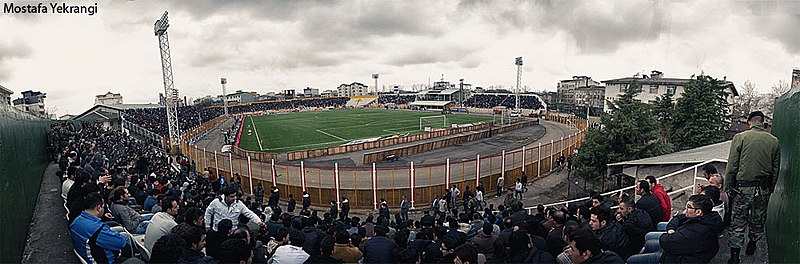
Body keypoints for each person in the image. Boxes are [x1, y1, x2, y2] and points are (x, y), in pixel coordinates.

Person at [724, 111, 780, 263]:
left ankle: (735, 258)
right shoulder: (774, 141)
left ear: (750, 122)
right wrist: (771, 188)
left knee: (738, 222)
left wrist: (727, 187)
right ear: (762, 122)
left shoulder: (740, 137)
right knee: (758, 220)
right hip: (763, 190)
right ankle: (752, 244)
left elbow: (732, 166)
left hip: (742, 189)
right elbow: (776, 169)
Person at [660, 194, 724, 263]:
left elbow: (665, 241)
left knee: (649, 239)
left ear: (698, 212)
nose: (686, 209)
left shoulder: (696, 232)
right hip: (679, 250)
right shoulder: (706, 218)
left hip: (676, 259)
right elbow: (679, 217)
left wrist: (671, 233)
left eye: (689, 207)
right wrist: (671, 229)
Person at [70, 193, 128, 264]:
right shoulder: (98, 229)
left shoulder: (76, 221)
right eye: (103, 207)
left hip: (88, 255)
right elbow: (121, 242)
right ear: (98, 207)